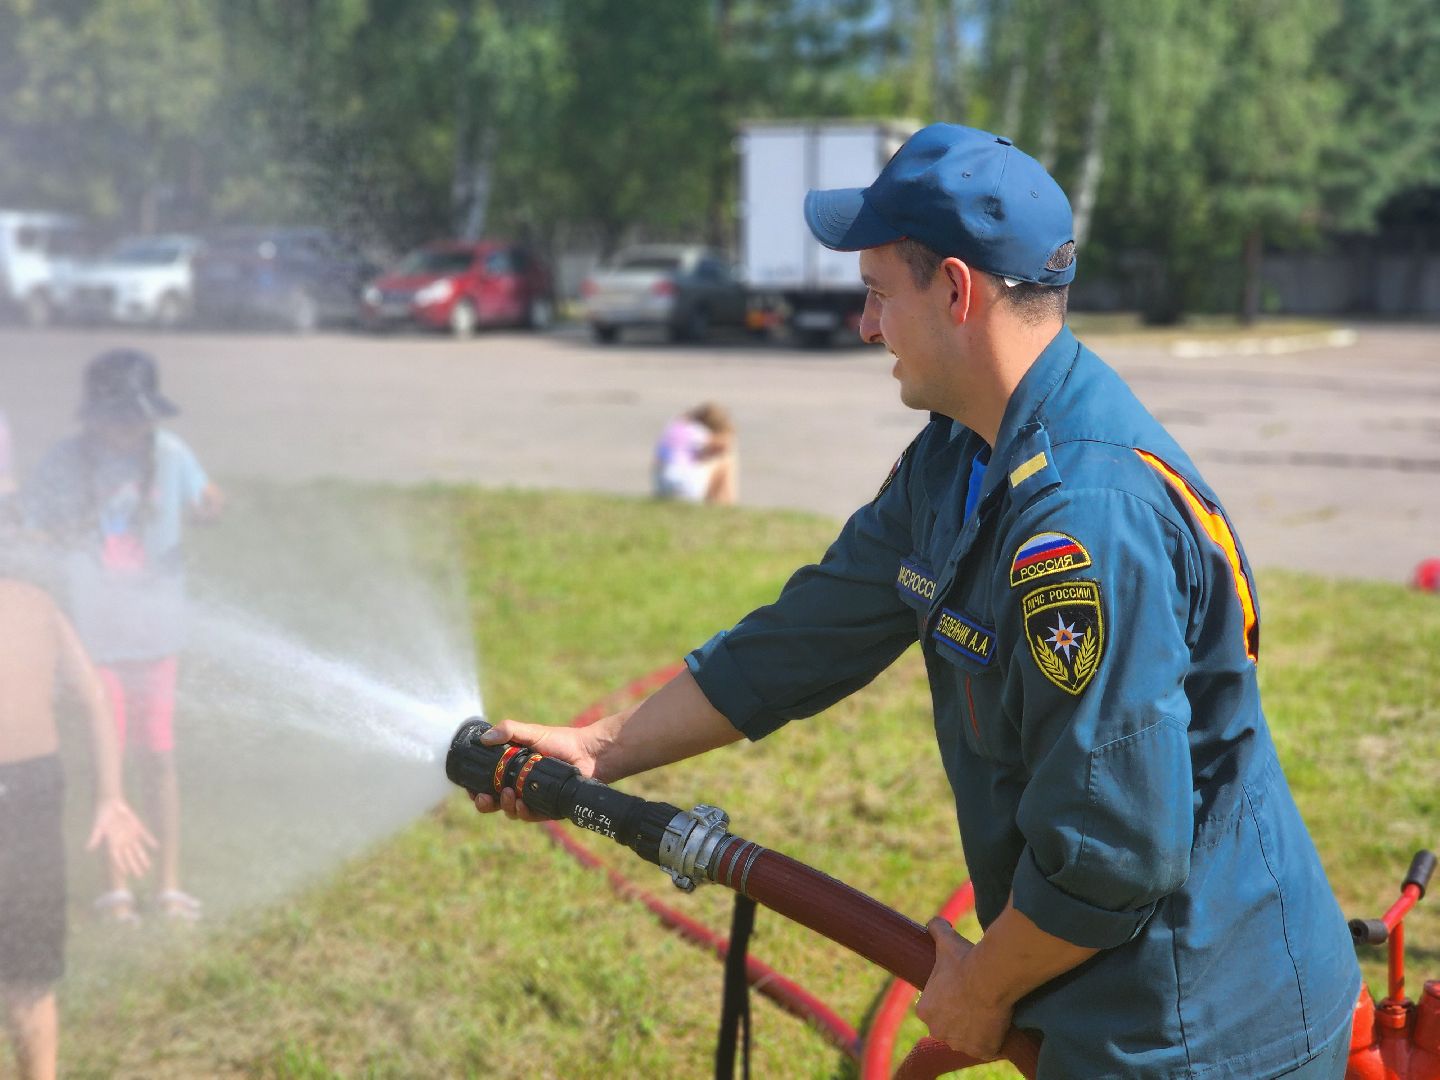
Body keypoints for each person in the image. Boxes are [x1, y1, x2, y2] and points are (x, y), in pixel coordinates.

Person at [473, 124, 1360, 1078]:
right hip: (1113, 992)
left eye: (876, 293)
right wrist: (601, 748)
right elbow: (808, 634)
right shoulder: (961, 452)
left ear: (955, 289)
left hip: (1198, 1029)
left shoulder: (1085, 525)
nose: (864, 327)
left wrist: (981, 991)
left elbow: (1114, 853)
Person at [24, 349, 222, 925]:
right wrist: (48, 536)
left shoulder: (171, 455)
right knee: (107, 760)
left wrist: (212, 505)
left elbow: (204, 498)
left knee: (158, 756)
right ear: (91, 416)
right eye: (114, 416)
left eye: (136, 417)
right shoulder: (64, 462)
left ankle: (168, 884)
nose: (125, 429)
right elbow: (29, 527)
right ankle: (116, 889)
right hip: (93, 642)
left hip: (157, 637)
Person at [1, 541, 155, 1080]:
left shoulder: (36, 604)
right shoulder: (37, 603)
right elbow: (92, 699)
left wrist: (112, 795)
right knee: (28, 978)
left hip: (28, 795)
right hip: (31, 790)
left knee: (30, 976)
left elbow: (93, 698)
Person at [652, 402, 738, 505]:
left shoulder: (675, 426)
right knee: (726, 459)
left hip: (664, 486)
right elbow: (725, 445)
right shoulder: (699, 431)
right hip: (687, 486)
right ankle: (725, 504)